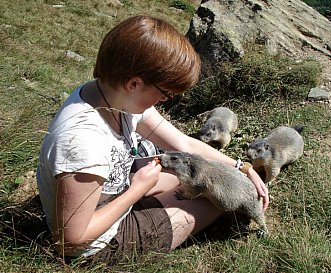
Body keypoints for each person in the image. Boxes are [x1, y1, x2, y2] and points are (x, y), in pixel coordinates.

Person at [36, 15, 269, 261]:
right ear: (134, 83)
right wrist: (137, 191)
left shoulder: (112, 95)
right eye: (166, 93)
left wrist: (241, 168)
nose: (165, 100)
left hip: (114, 194)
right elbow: (70, 241)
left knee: (199, 176)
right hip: (99, 242)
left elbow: (184, 144)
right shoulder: (83, 142)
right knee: (217, 199)